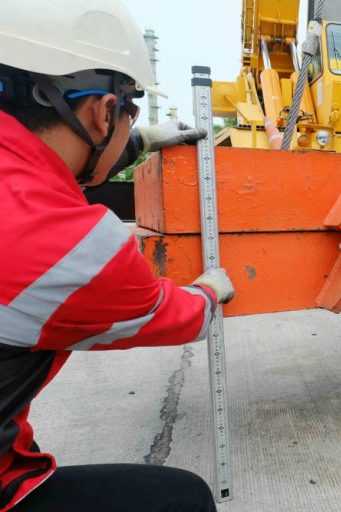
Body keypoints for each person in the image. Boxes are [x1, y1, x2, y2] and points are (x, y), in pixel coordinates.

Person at [0, 1, 235, 510]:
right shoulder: (70, 245)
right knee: (180, 500)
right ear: (104, 111)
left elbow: (54, 162)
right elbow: (175, 316)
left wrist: (143, 140)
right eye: (131, 114)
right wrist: (210, 290)